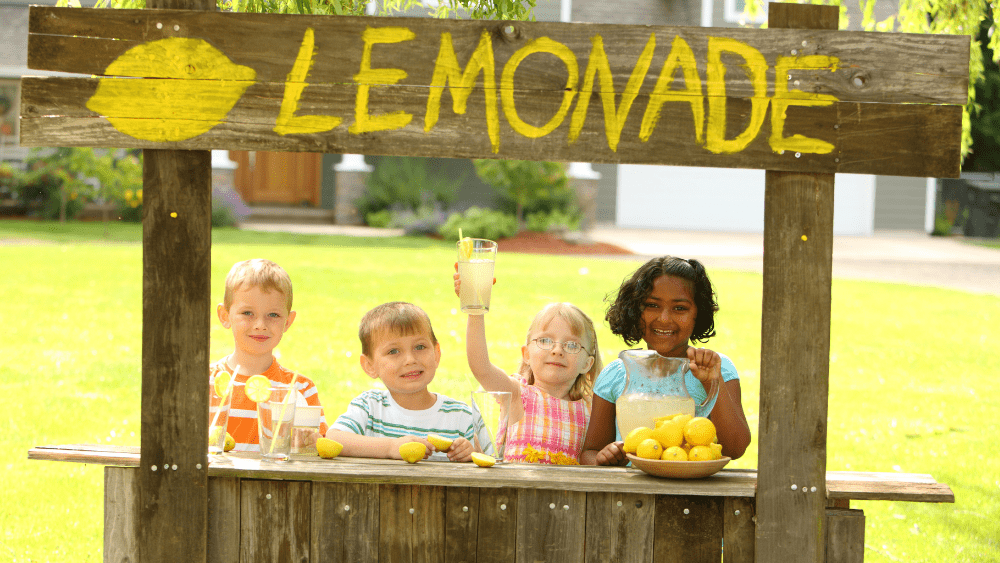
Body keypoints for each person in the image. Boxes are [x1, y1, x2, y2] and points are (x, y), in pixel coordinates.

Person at [580, 256, 751, 466]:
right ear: (635, 309)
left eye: (680, 308)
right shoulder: (616, 374)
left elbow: (735, 447)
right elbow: (590, 452)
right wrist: (602, 459)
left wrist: (711, 381)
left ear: (699, 313)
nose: (664, 318)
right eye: (652, 305)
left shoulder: (717, 368)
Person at [458, 269, 603, 464]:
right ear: (526, 354)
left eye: (571, 345)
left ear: (587, 363)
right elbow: (481, 367)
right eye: (545, 340)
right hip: (515, 494)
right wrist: (476, 312)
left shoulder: (591, 410)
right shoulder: (517, 395)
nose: (557, 350)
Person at [326, 301, 478, 462]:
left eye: (420, 347)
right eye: (393, 351)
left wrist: (470, 452)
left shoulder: (461, 416)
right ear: (369, 366)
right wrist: (390, 447)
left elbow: (489, 459)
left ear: (436, 354)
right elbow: (333, 438)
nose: (410, 360)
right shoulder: (369, 407)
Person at [210, 259, 328, 452]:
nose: (260, 324)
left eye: (273, 315)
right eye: (247, 313)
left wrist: (309, 443)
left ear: (288, 322)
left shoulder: (300, 388)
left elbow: (318, 447)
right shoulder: (207, 383)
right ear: (225, 316)